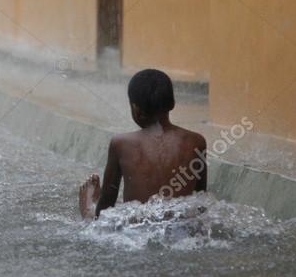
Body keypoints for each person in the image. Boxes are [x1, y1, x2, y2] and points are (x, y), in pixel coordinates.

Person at [78, 69, 208, 219]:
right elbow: (200, 200)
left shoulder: (120, 144)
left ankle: (88, 210)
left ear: (136, 110)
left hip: (137, 229)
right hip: (180, 226)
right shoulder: (197, 141)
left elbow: (106, 206)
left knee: (97, 218)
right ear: (172, 104)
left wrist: (96, 211)